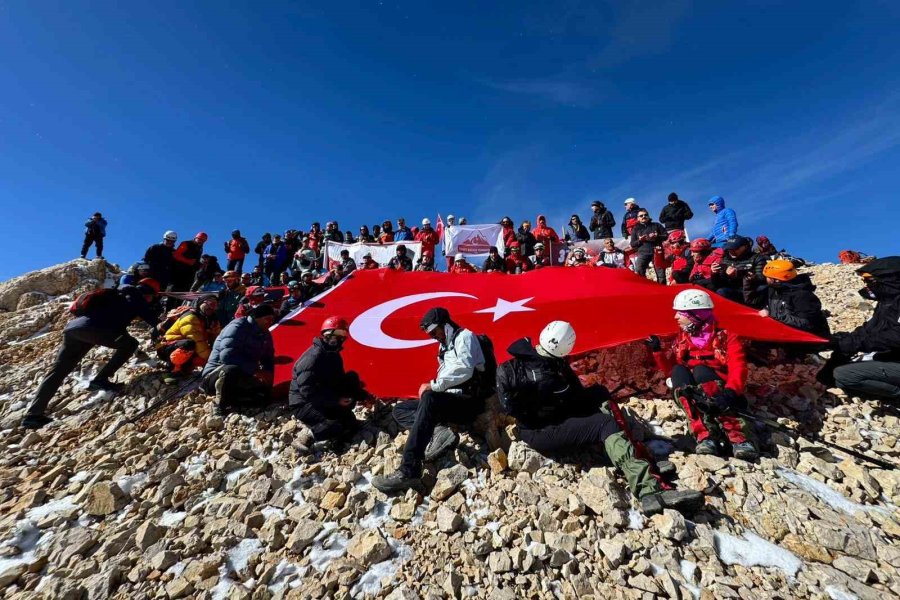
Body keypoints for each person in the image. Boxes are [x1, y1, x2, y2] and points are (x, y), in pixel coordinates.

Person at [497, 321, 703, 515]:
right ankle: (648, 489)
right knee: (605, 423)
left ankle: (636, 458)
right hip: (543, 432)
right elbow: (574, 400)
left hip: (532, 425)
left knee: (598, 397)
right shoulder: (553, 376)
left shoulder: (520, 360)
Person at [372, 307, 493, 493]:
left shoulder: (465, 337)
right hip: (451, 400)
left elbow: (465, 369)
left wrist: (434, 386)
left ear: (444, 325)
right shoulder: (443, 347)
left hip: (469, 402)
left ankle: (409, 470)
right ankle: (439, 431)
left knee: (428, 398)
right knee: (400, 410)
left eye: (434, 332)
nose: (433, 336)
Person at [21, 279, 161, 429]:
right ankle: (100, 380)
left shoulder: (116, 293)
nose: (151, 300)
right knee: (130, 344)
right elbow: (153, 321)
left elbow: (115, 319)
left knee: (58, 370)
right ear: (148, 293)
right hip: (96, 330)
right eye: (153, 297)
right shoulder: (135, 295)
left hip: (74, 329)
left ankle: (33, 416)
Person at [647, 289, 758, 460]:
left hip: (722, 389)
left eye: (681, 313)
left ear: (695, 315)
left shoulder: (725, 336)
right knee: (679, 372)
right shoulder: (683, 337)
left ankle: (738, 436)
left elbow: (738, 366)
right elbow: (670, 370)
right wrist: (657, 351)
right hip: (697, 390)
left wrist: (731, 391)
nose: (676, 317)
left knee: (700, 370)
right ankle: (704, 435)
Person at [818, 257, 900, 401]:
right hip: (893, 358)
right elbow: (870, 329)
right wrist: (840, 343)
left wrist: (855, 344)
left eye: (870, 280)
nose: (866, 285)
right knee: (837, 373)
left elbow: (895, 336)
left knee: (845, 375)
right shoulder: (888, 302)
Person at [290, 317, 370, 444]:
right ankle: (307, 437)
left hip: (324, 395)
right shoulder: (313, 358)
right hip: (304, 403)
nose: (339, 340)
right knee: (335, 426)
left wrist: (363, 396)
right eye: (336, 336)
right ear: (326, 336)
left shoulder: (333, 354)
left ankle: (336, 417)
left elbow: (340, 380)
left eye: (342, 337)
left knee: (351, 424)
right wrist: (336, 401)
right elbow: (307, 391)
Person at [200, 304, 275, 416]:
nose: (270, 322)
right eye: (267, 319)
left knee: (263, 396)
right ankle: (220, 404)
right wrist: (256, 371)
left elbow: (268, 358)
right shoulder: (237, 326)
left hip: (244, 374)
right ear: (257, 317)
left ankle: (234, 401)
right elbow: (227, 356)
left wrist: (269, 376)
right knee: (232, 370)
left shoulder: (265, 334)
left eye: (272, 320)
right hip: (216, 374)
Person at [743, 259, 830, 338]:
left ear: (776, 280)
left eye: (768, 277)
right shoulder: (774, 289)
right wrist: (749, 283)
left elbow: (808, 324)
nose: (765, 279)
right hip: (784, 332)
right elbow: (752, 301)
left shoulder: (802, 295)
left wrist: (772, 316)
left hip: (808, 339)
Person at [157, 295, 221, 383]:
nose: (212, 308)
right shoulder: (190, 318)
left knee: (200, 353)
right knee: (189, 344)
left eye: (215, 305)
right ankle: (172, 371)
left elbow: (217, 338)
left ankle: (184, 368)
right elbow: (197, 342)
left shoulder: (211, 319)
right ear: (200, 304)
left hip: (180, 346)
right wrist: (214, 360)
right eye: (210, 303)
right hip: (165, 347)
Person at [712, 236, 765, 303]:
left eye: (735, 248)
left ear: (745, 247)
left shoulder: (757, 258)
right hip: (734, 291)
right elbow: (718, 284)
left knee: (763, 288)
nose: (731, 251)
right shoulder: (724, 260)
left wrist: (739, 274)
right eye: (729, 249)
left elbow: (762, 278)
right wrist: (714, 274)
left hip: (752, 292)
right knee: (721, 291)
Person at [630, 210, 667, 284]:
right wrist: (640, 240)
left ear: (648, 216)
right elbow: (632, 244)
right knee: (639, 270)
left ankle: (663, 289)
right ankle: (643, 289)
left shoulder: (656, 225)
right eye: (641, 216)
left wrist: (657, 236)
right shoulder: (635, 229)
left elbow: (666, 236)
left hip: (657, 251)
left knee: (661, 273)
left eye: (645, 215)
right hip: (643, 253)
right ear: (638, 218)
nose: (644, 216)